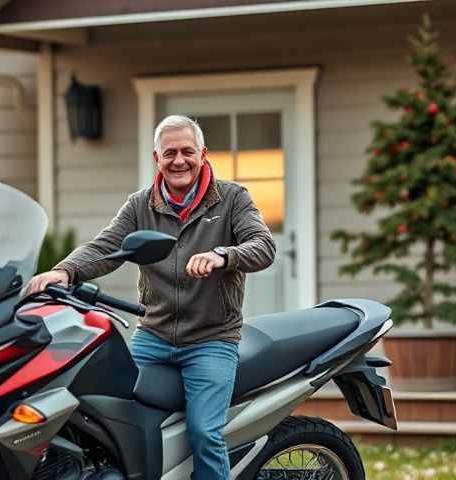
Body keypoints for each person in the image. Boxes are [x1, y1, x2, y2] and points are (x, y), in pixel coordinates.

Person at [24, 114, 276, 479]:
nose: (179, 160)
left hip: (211, 339)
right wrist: (64, 271)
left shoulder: (232, 198)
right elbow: (106, 247)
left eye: (187, 151)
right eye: (169, 152)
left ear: (203, 154)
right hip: (152, 336)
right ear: (156, 159)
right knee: (110, 420)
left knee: (204, 431)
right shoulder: (141, 205)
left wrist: (224, 255)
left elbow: (263, 246)